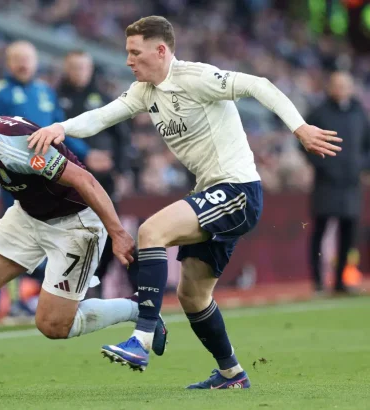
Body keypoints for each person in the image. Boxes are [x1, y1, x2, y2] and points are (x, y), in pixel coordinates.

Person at [27, 16, 341, 388]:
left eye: (135, 52)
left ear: (161, 50)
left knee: (151, 231)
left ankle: (141, 339)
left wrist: (300, 128)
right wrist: (61, 128)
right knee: (193, 295)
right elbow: (102, 116)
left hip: (237, 189)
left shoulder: (195, 77)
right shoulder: (144, 92)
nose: (128, 60)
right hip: (211, 192)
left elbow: (258, 84)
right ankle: (231, 373)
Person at [0, 112, 167, 393]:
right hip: (29, 214)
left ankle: (139, 308)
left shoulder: (19, 148)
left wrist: (118, 233)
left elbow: (85, 180)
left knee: (53, 325)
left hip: (75, 223)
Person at [0, 40, 112, 314]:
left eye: (27, 58)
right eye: (17, 58)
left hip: (49, 176)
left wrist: (87, 155)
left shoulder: (44, 92)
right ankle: (14, 300)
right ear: (8, 62)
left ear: (36, 62)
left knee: (54, 234)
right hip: (15, 178)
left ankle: (50, 295)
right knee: (15, 239)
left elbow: (60, 131)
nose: (23, 64)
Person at [58, 49, 136, 294]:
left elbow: (123, 137)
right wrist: (86, 156)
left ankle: (97, 281)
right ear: (66, 69)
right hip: (67, 179)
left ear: (91, 69)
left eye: (84, 67)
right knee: (73, 232)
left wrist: (122, 170)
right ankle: (74, 286)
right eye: (75, 67)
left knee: (111, 231)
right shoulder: (55, 100)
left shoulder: (104, 99)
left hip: (103, 180)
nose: (80, 72)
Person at [302, 71, 370, 295]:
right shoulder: (319, 113)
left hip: (351, 183)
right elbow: (303, 143)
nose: (341, 89)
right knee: (320, 229)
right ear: (329, 87)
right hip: (326, 182)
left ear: (351, 88)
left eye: (345, 85)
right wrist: (323, 166)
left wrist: (361, 166)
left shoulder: (359, 113)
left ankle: (341, 280)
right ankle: (318, 281)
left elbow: (367, 145)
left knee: (348, 232)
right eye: (337, 85)